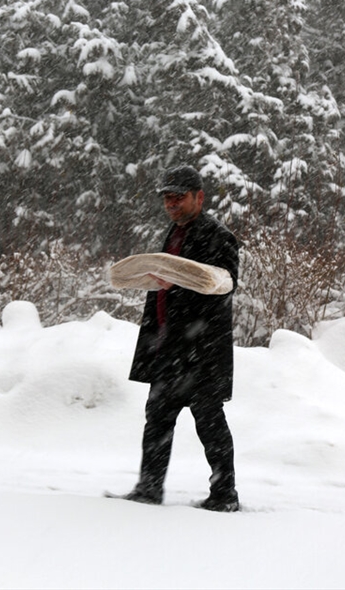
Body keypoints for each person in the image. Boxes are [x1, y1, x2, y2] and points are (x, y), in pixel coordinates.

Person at [120, 165, 241, 512]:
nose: (171, 204)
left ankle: (225, 495)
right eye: (167, 198)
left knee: (210, 423)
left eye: (178, 197)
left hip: (200, 351)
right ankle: (148, 489)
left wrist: (179, 286)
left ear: (199, 197)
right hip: (167, 349)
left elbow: (224, 285)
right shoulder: (173, 233)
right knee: (157, 420)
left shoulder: (218, 235)